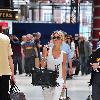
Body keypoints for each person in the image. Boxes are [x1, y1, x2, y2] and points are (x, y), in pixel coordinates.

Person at [41, 30, 67, 100]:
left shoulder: (63, 54)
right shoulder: (47, 50)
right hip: (47, 80)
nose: (55, 39)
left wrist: (64, 82)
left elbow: (64, 68)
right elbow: (42, 66)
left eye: (58, 37)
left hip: (59, 80)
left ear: (62, 40)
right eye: (54, 37)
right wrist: (44, 54)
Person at [0, 30, 15, 100]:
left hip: (5, 72)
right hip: (5, 73)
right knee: (4, 96)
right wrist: (12, 75)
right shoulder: (6, 38)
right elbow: (10, 58)